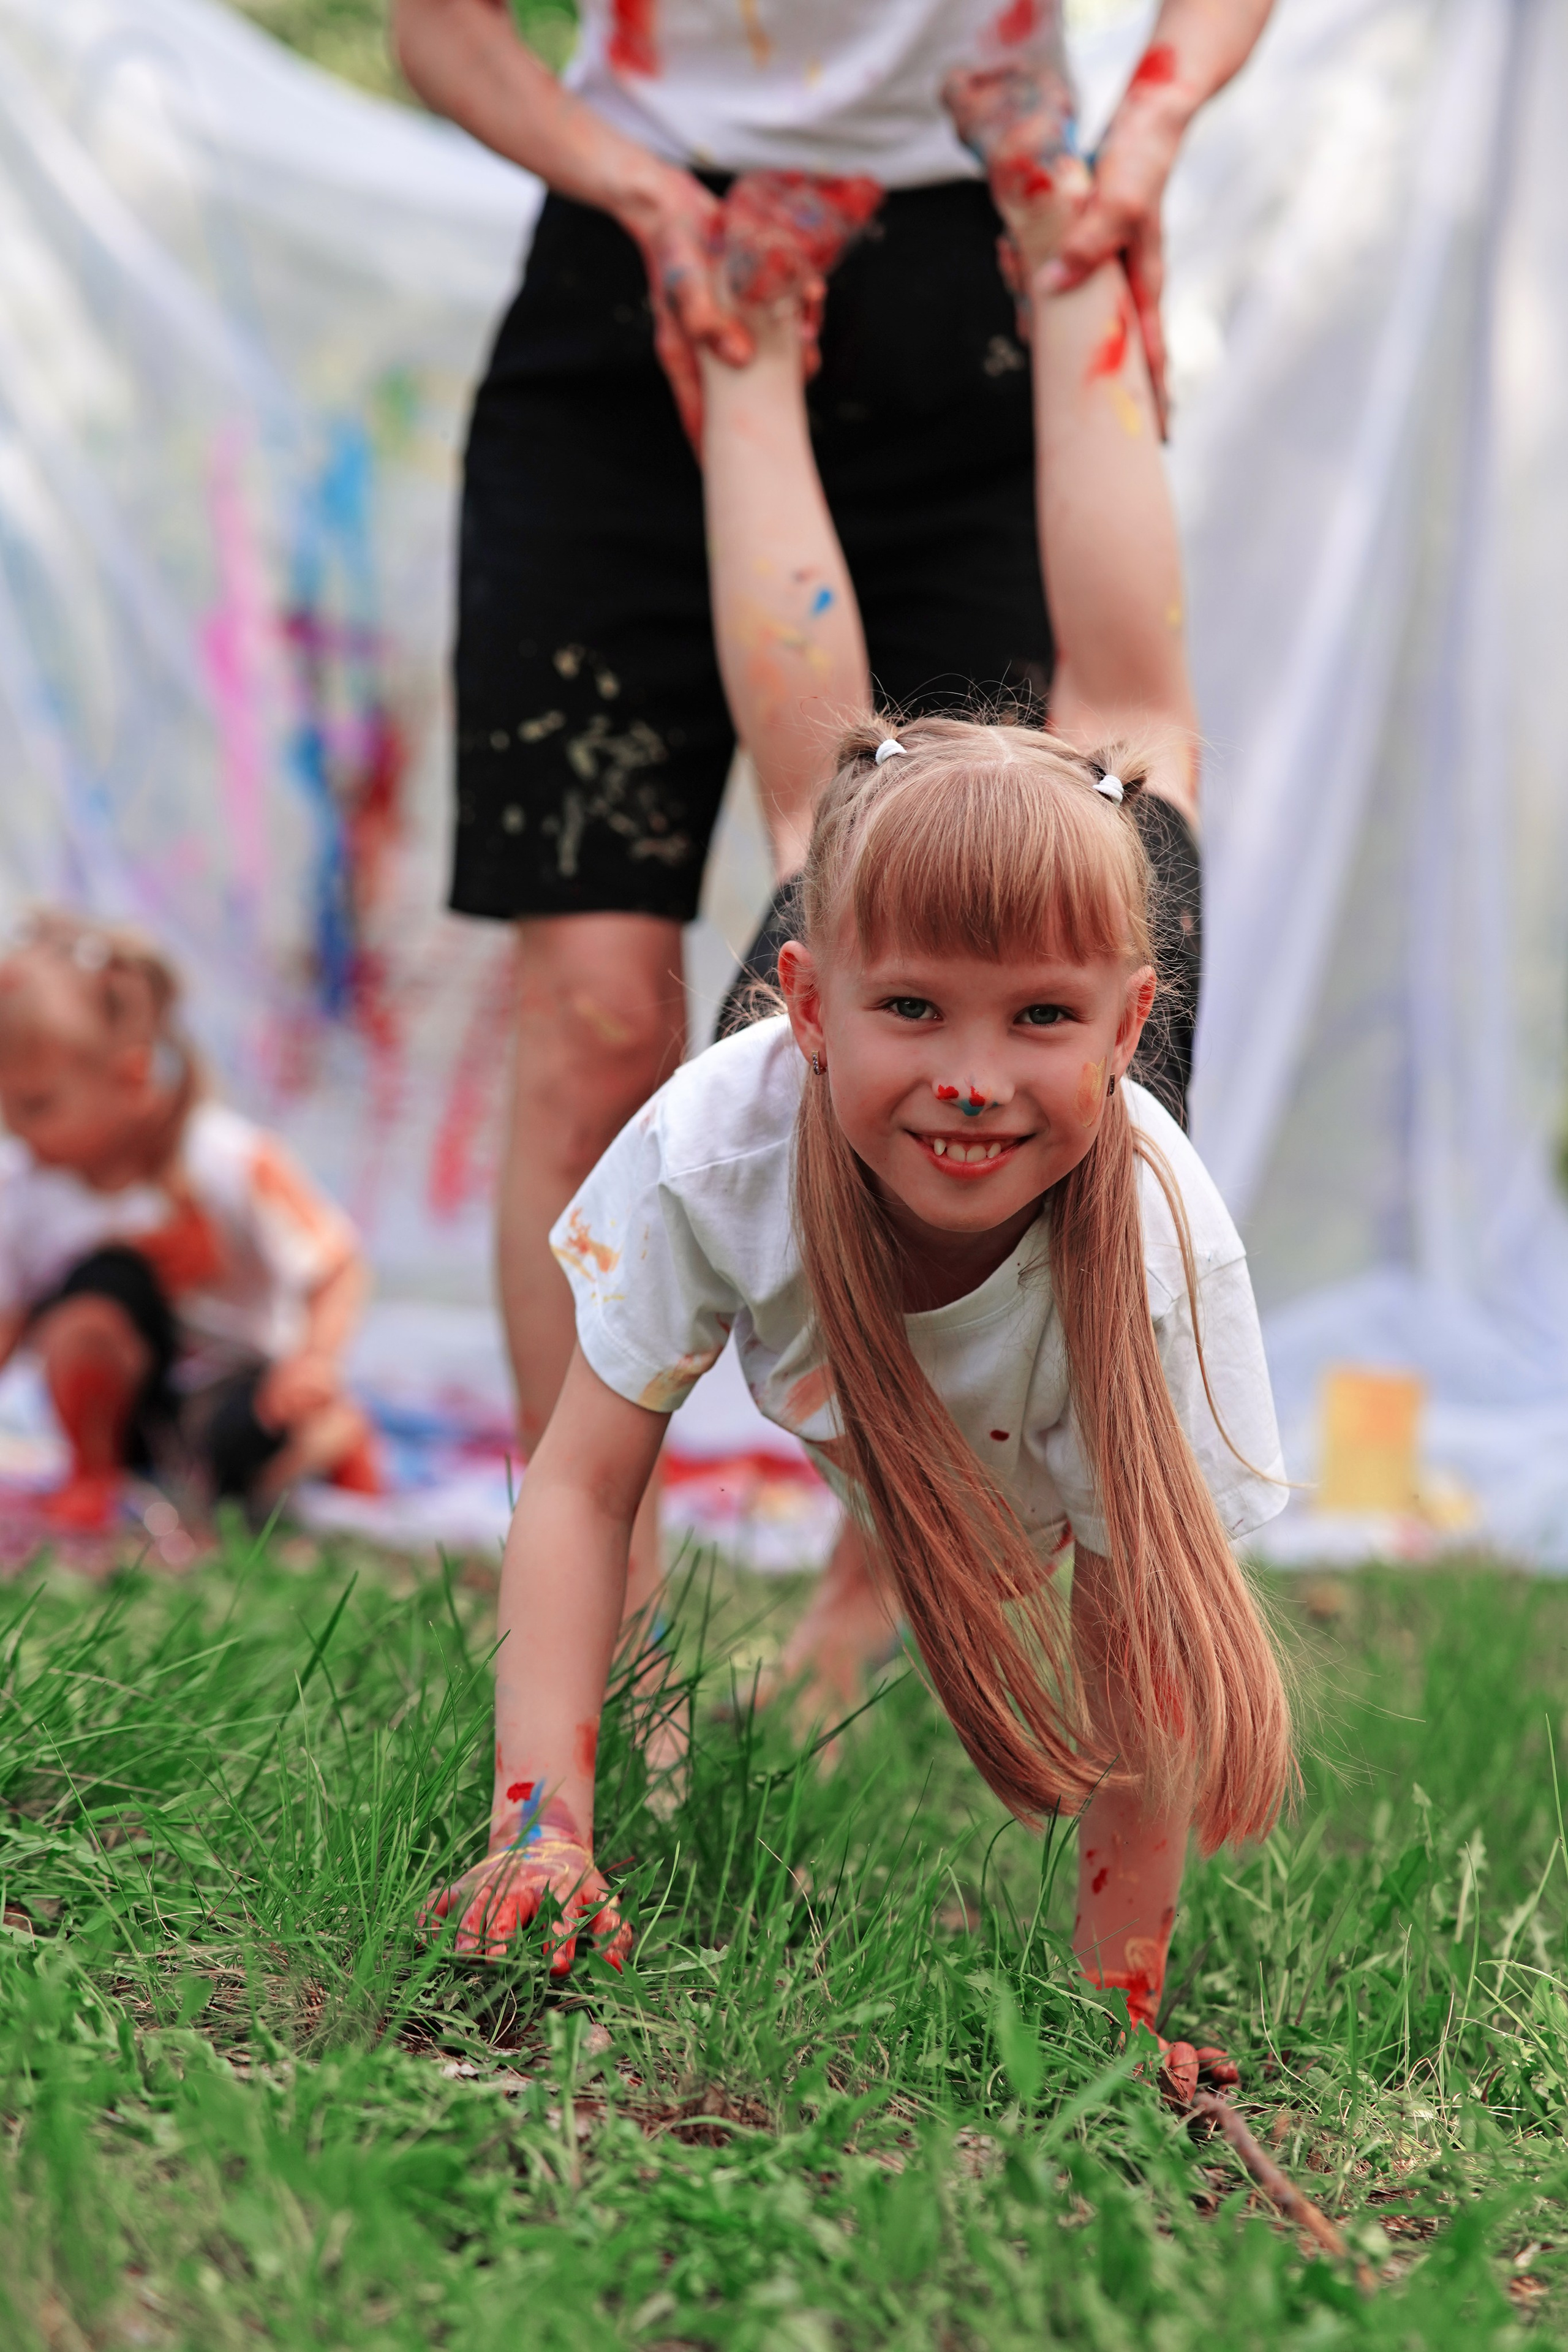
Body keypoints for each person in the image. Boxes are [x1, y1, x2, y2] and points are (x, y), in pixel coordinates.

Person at [420, 172, 1292, 2097]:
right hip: (826, 1045)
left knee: (1134, 724)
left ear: (1122, 1031)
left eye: (1042, 1030)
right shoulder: (722, 1139)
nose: (973, 1076)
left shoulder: (1147, 1229)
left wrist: (1117, 1990)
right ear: (805, 1011)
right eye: (907, 1014)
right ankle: (746, 347)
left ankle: (1069, 265)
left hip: (1069, 972)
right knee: (829, 783)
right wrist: (536, 1815)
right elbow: (578, 1483)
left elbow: (1137, 1612)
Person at [393, 0, 1280, 1614]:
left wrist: (1129, 138)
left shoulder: (752, 1144)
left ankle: (804, 326)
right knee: (1044, 746)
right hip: (667, 227)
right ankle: (997, 263)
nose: (964, 1096)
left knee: (851, 794)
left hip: (911, 269)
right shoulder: (1099, 1300)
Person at [0, 913, 379, 1531]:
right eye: (2, 1101)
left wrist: (313, 1362)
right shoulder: (22, 1185)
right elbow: (9, 1323)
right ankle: (93, 1475)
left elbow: (337, 1265)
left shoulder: (227, 1161)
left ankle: (334, 1436)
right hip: (127, 1413)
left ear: (131, 1077)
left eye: (37, 1104)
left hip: (241, 1391)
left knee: (245, 1478)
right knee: (96, 1295)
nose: (14, 1124)